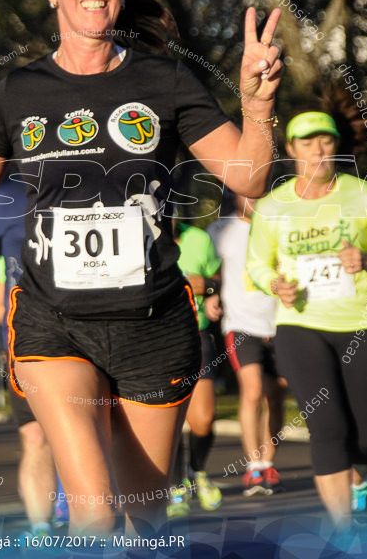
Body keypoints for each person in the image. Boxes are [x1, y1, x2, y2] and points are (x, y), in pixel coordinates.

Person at [0, 0, 283, 533]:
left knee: (146, 519)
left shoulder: (166, 81)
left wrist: (258, 106)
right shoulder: (17, 93)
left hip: (154, 327)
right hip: (55, 324)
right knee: (94, 512)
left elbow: (248, 177)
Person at [246, 111, 367, 527]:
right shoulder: (272, 207)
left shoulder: (362, 196)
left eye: (324, 141)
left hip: (360, 324)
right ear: (291, 150)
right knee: (327, 428)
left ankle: (359, 480)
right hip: (300, 326)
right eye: (306, 143)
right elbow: (256, 266)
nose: (317, 151)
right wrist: (275, 284)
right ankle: (343, 534)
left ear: (336, 146)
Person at [0, 174, 63, 535]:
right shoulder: (1, 196)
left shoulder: (85, 178)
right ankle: (41, 529)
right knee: (35, 436)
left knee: (92, 431)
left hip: (87, 330)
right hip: (24, 341)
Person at [207, 191, 285, 496]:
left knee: (276, 394)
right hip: (240, 325)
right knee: (252, 390)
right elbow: (209, 271)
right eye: (247, 195)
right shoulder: (221, 231)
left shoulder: (280, 226)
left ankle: (268, 463)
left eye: (260, 195)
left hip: (280, 323)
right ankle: (253, 466)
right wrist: (212, 292)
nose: (253, 201)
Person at [167, 220, 223, 516]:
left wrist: (210, 289)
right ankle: (176, 485)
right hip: (155, 339)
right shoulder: (135, 239)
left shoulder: (199, 239)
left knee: (203, 418)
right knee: (168, 417)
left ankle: (197, 471)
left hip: (196, 334)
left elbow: (216, 277)